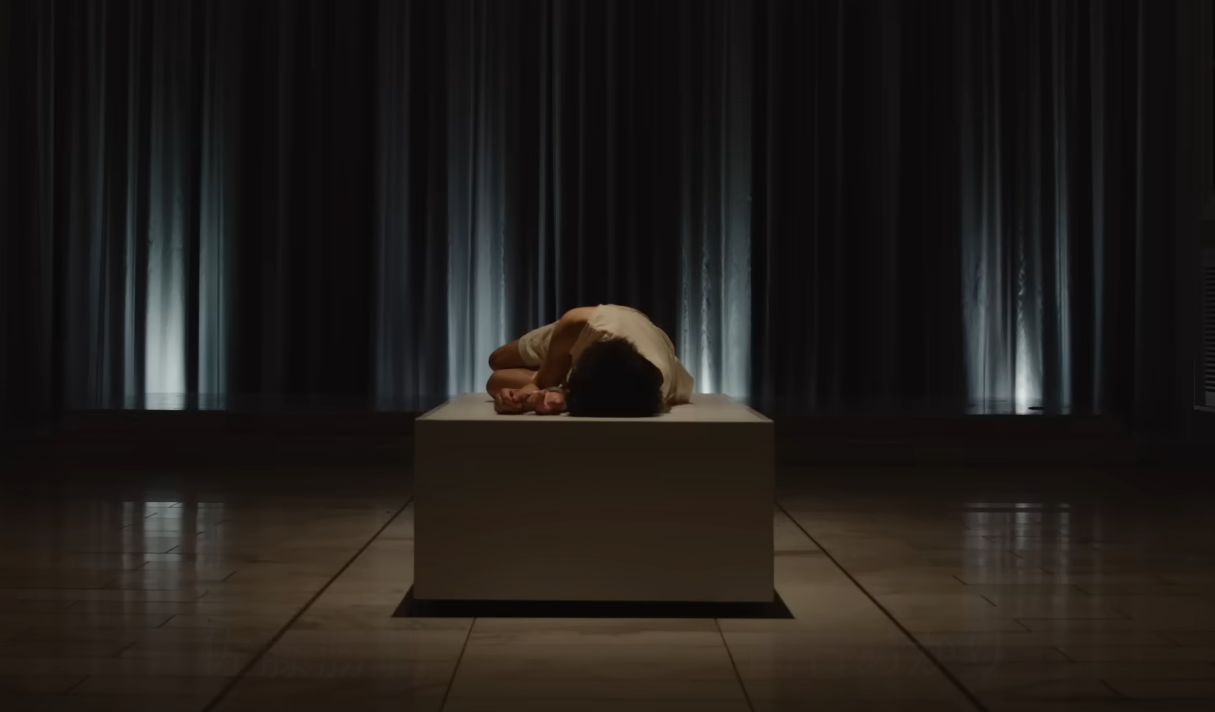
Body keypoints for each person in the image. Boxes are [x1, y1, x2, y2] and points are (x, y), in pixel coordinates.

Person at [487, 305, 694, 416]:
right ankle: (556, 372)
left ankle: (556, 378)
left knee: (495, 382)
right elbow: (540, 383)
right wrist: (537, 391)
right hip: (592, 326)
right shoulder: (580, 326)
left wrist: (520, 400)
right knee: (497, 360)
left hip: (634, 350)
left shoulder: (656, 387)